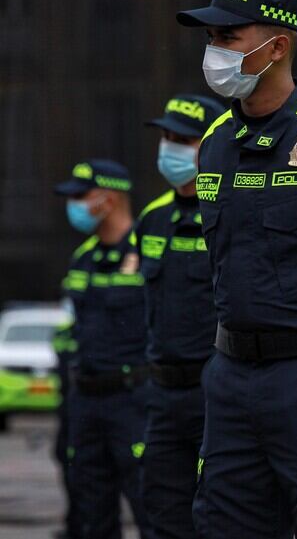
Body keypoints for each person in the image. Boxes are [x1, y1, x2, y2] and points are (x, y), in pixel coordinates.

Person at [175, 0, 297, 539]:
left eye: (229, 36)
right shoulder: (215, 142)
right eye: (210, 38)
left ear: (277, 47)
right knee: (222, 523)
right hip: (231, 378)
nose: (214, 51)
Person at [134, 93, 225, 539]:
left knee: (218, 512)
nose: (170, 148)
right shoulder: (150, 219)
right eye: (166, 137)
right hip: (162, 396)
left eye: (183, 139)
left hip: (214, 393)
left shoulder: (228, 207)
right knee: (160, 511)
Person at [55, 160, 153, 538]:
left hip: (133, 400)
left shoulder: (147, 250)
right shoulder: (82, 257)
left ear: (108, 199)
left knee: (150, 505)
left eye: (81, 196)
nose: (74, 205)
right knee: (89, 511)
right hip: (84, 401)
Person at [50, 306, 80, 539]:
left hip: (81, 406)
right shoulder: (67, 332)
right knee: (66, 461)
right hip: (70, 408)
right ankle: (74, 525)